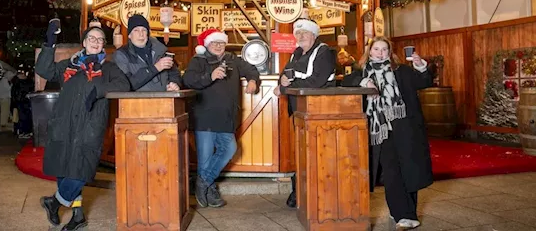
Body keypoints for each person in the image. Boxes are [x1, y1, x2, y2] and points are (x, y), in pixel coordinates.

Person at [37, 18, 130, 231]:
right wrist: (50, 42)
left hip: (90, 125)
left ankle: (55, 202)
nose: (96, 42)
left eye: (100, 39)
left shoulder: (109, 68)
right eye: (92, 38)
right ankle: (78, 216)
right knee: (64, 167)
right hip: (64, 123)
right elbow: (44, 70)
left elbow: (124, 84)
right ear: (84, 42)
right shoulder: (69, 65)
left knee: (81, 171)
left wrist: (98, 91)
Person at [341, 36, 433, 230]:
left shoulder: (401, 71)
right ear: (370, 52)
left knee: (408, 170)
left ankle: (407, 213)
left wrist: (420, 65)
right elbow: (346, 81)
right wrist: (364, 81)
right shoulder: (361, 73)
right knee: (391, 173)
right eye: (376, 49)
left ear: (390, 53)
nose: (380, 53)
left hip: (405, 128)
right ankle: (402, 213)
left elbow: (424, 81)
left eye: (384, 49)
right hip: (380, 131)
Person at [183, 28, 260, 208]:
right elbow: (188, 80)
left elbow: (251, 69)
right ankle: (210, 189)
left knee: (229, 148)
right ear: (207, 45)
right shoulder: (198, 60)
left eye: (221, 43)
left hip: (226, 116)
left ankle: (202, 183)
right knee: (205, 158)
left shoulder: (232, 60)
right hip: (205, 116)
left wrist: (253, 80)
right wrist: (210, 76)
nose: (218, 46)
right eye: (214, 43)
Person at [273, 18, 337, 208]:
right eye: (297, 34)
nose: (300, 37)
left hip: (318, 109)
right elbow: (284, 75)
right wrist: (281, 83)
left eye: (304, 33)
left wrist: (285, 88)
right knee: (302, 152)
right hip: (301, 110)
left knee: (317, 153)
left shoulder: (325, 52)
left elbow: (317, 81)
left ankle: (316, 195)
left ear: (314, 35)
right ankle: (301, 192)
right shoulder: (297, 53)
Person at [112, 15, 182, 91]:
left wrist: (174, 84)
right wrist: (155, 68)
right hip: (136, 102)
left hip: (165, 100)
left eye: (144, 30)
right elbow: (127, 84)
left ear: (148, 33)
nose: (141, 34)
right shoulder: (122, 55)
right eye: (136, 30)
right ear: (129, 35)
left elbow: (174, 73)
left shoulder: (161, 51)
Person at [11, 72, 34, 138]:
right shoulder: (27, 82)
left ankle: (22, 131)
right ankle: (26, 131)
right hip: (24, 101)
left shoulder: (17, 83)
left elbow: (14, 93)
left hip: (20, 102)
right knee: (25, 117)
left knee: (22, 117)